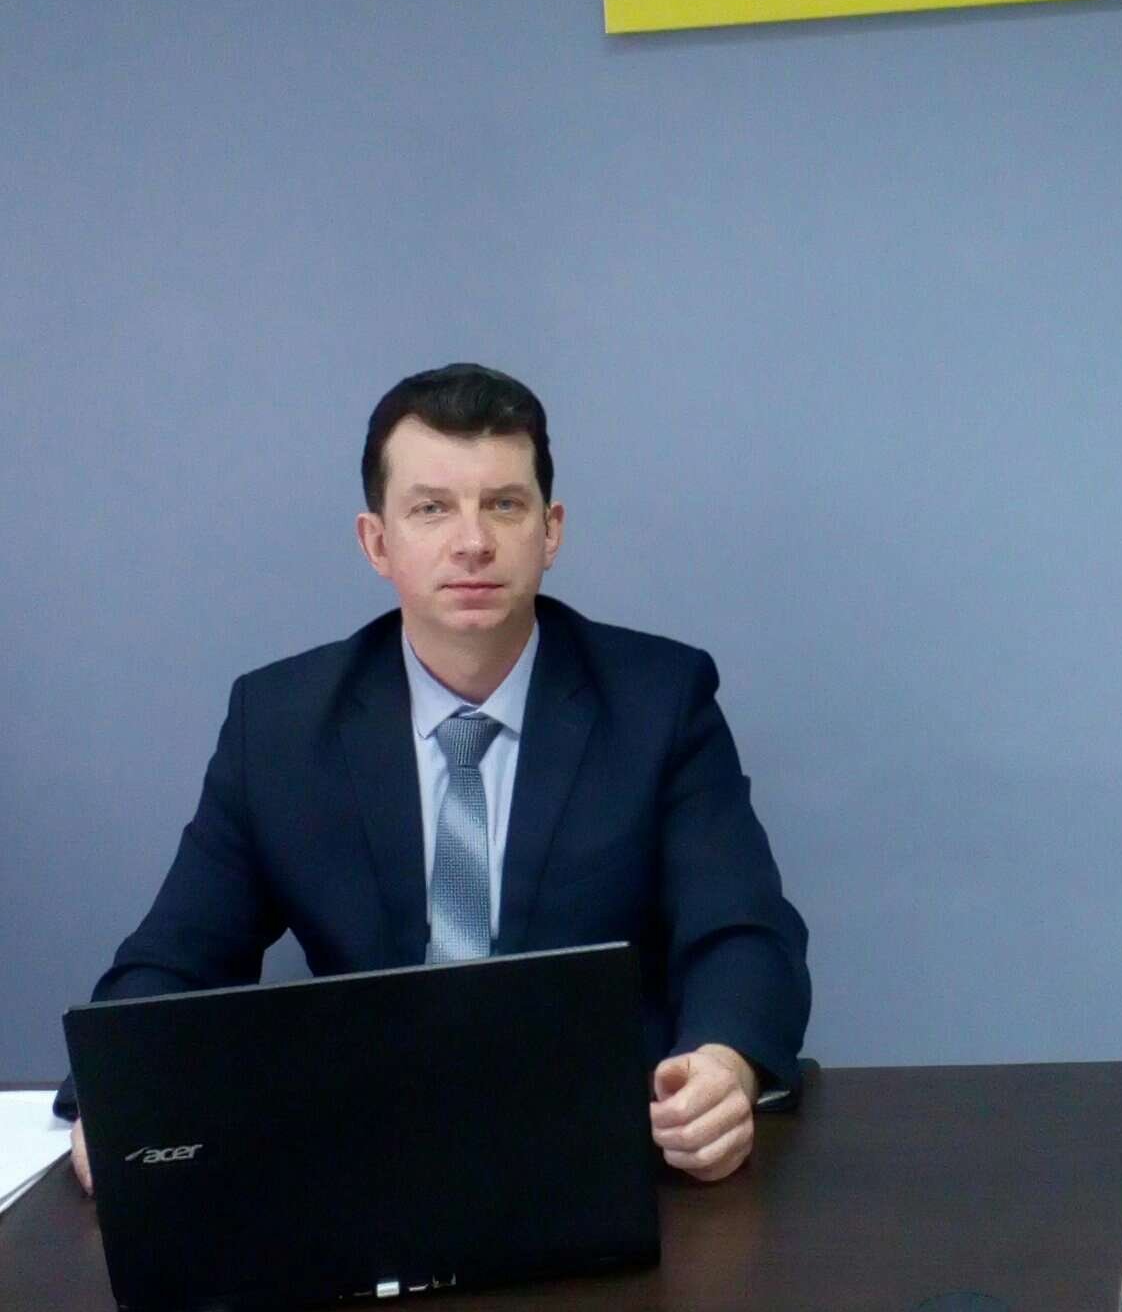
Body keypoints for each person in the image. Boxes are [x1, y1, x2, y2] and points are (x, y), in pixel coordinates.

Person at [63, 363, 809, 1193]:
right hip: (361, 1160)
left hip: (604, 1151)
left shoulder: (657, 701)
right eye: (431, 508)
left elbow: (743, 932)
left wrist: (724, 1066)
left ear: (551, 531)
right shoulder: (278, 727)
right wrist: (121, 1098)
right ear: (377, 543)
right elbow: (172, 962)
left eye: (505, 505)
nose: (473, 542)